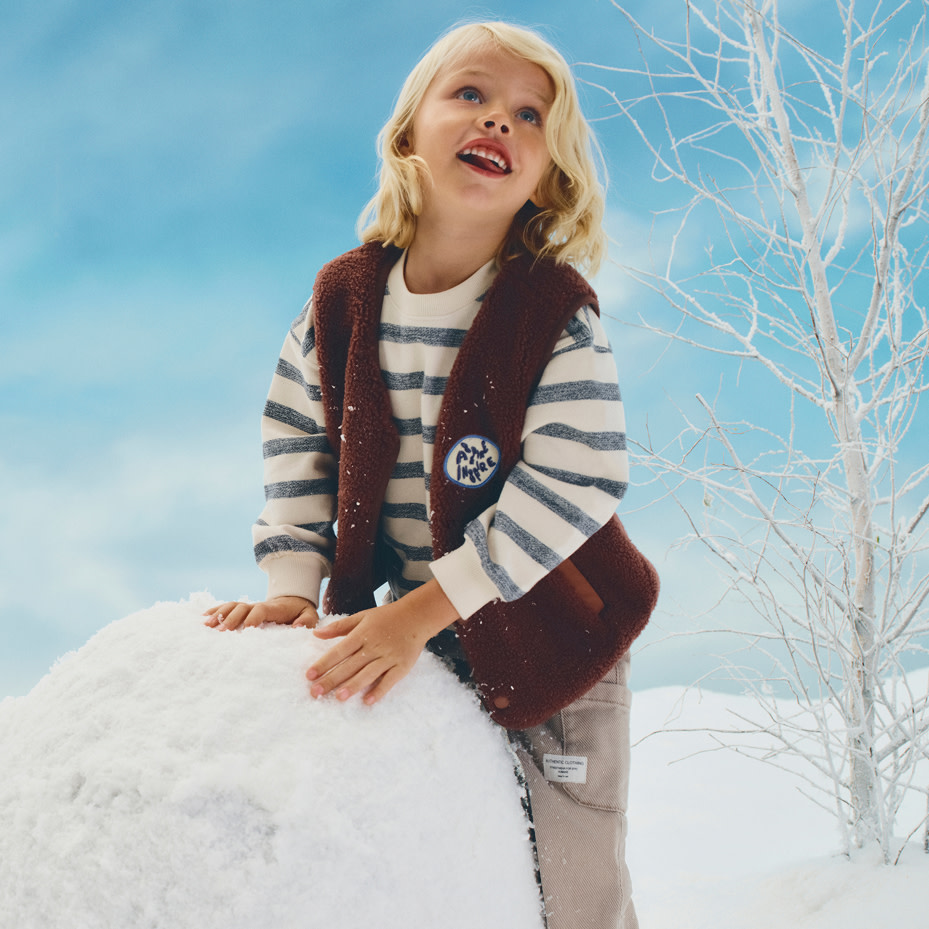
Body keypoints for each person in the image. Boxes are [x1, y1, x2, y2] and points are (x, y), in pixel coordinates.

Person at [205, 21, 656, 929]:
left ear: (549, 175)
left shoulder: (552, 312)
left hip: (551, 639)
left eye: (530, 115)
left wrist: (425, 607)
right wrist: (294, 585)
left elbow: (577, 477)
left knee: (565, 878)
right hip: (415, 632)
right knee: (439, 861)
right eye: (471, 96)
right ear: (409, 132)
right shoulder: (342, 300)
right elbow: (301, 444)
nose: (499, 120)